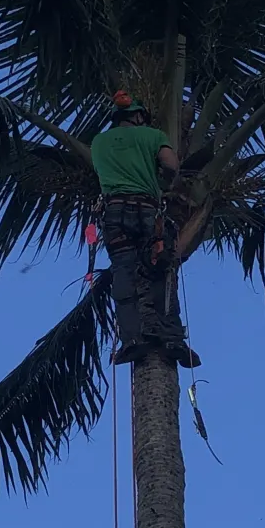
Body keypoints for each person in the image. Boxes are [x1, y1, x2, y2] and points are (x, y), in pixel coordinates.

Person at [89, 92, 200, 366]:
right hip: (147, 210)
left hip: (113, 213)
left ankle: (132, 340)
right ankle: (172, 338)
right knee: (160, 268)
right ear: (138, 117)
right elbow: (171, 166)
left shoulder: (98, 142)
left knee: (124, 272)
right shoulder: (152, 135)